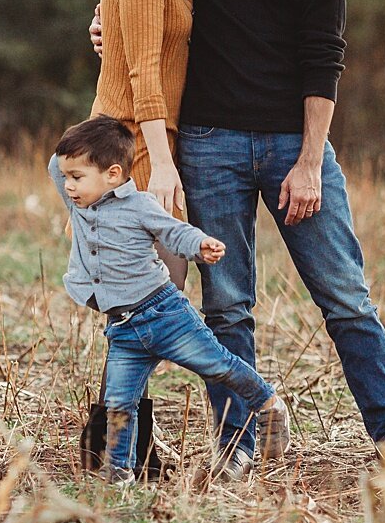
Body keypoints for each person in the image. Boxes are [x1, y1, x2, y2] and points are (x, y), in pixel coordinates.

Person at [91, 0, 385, 478]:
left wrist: (308, 161)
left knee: (347, 299)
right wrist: (104, 27)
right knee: (227, 305)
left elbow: (322, 60)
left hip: (290, 146)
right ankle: (238, 449)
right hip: (210, 144)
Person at [48, 116, 291, 486]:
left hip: (164, 313)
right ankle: (118, 476)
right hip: (123, 327)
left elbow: (173, 232)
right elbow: (56, 161)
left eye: (76, 177)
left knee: (218, 365)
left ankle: (267, 402)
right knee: (118, 405)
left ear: (113, 174)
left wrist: (199, 246)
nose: (67, 186)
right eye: (67, 178)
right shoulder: (79, 206)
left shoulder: (139, 205)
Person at [58, 0, 217, 286]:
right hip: (130, 140)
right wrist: (163, 167)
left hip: (154, 136)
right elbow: (143, 72)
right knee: (152, 288)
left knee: (158, 287)